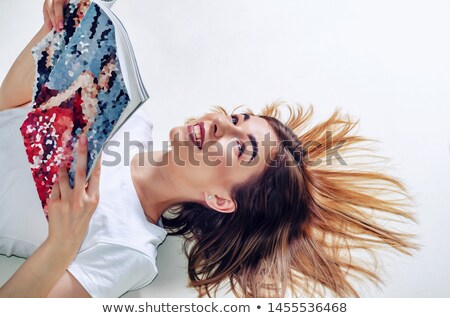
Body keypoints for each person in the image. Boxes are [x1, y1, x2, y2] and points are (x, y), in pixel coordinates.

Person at [0, 0, 417, 298]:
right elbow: (8, 105)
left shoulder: (129, 250)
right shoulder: (130, 117)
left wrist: (62, 244)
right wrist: (57, 30)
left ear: (220, 199)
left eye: (241, 150)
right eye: (237, 119)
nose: (221, 124)